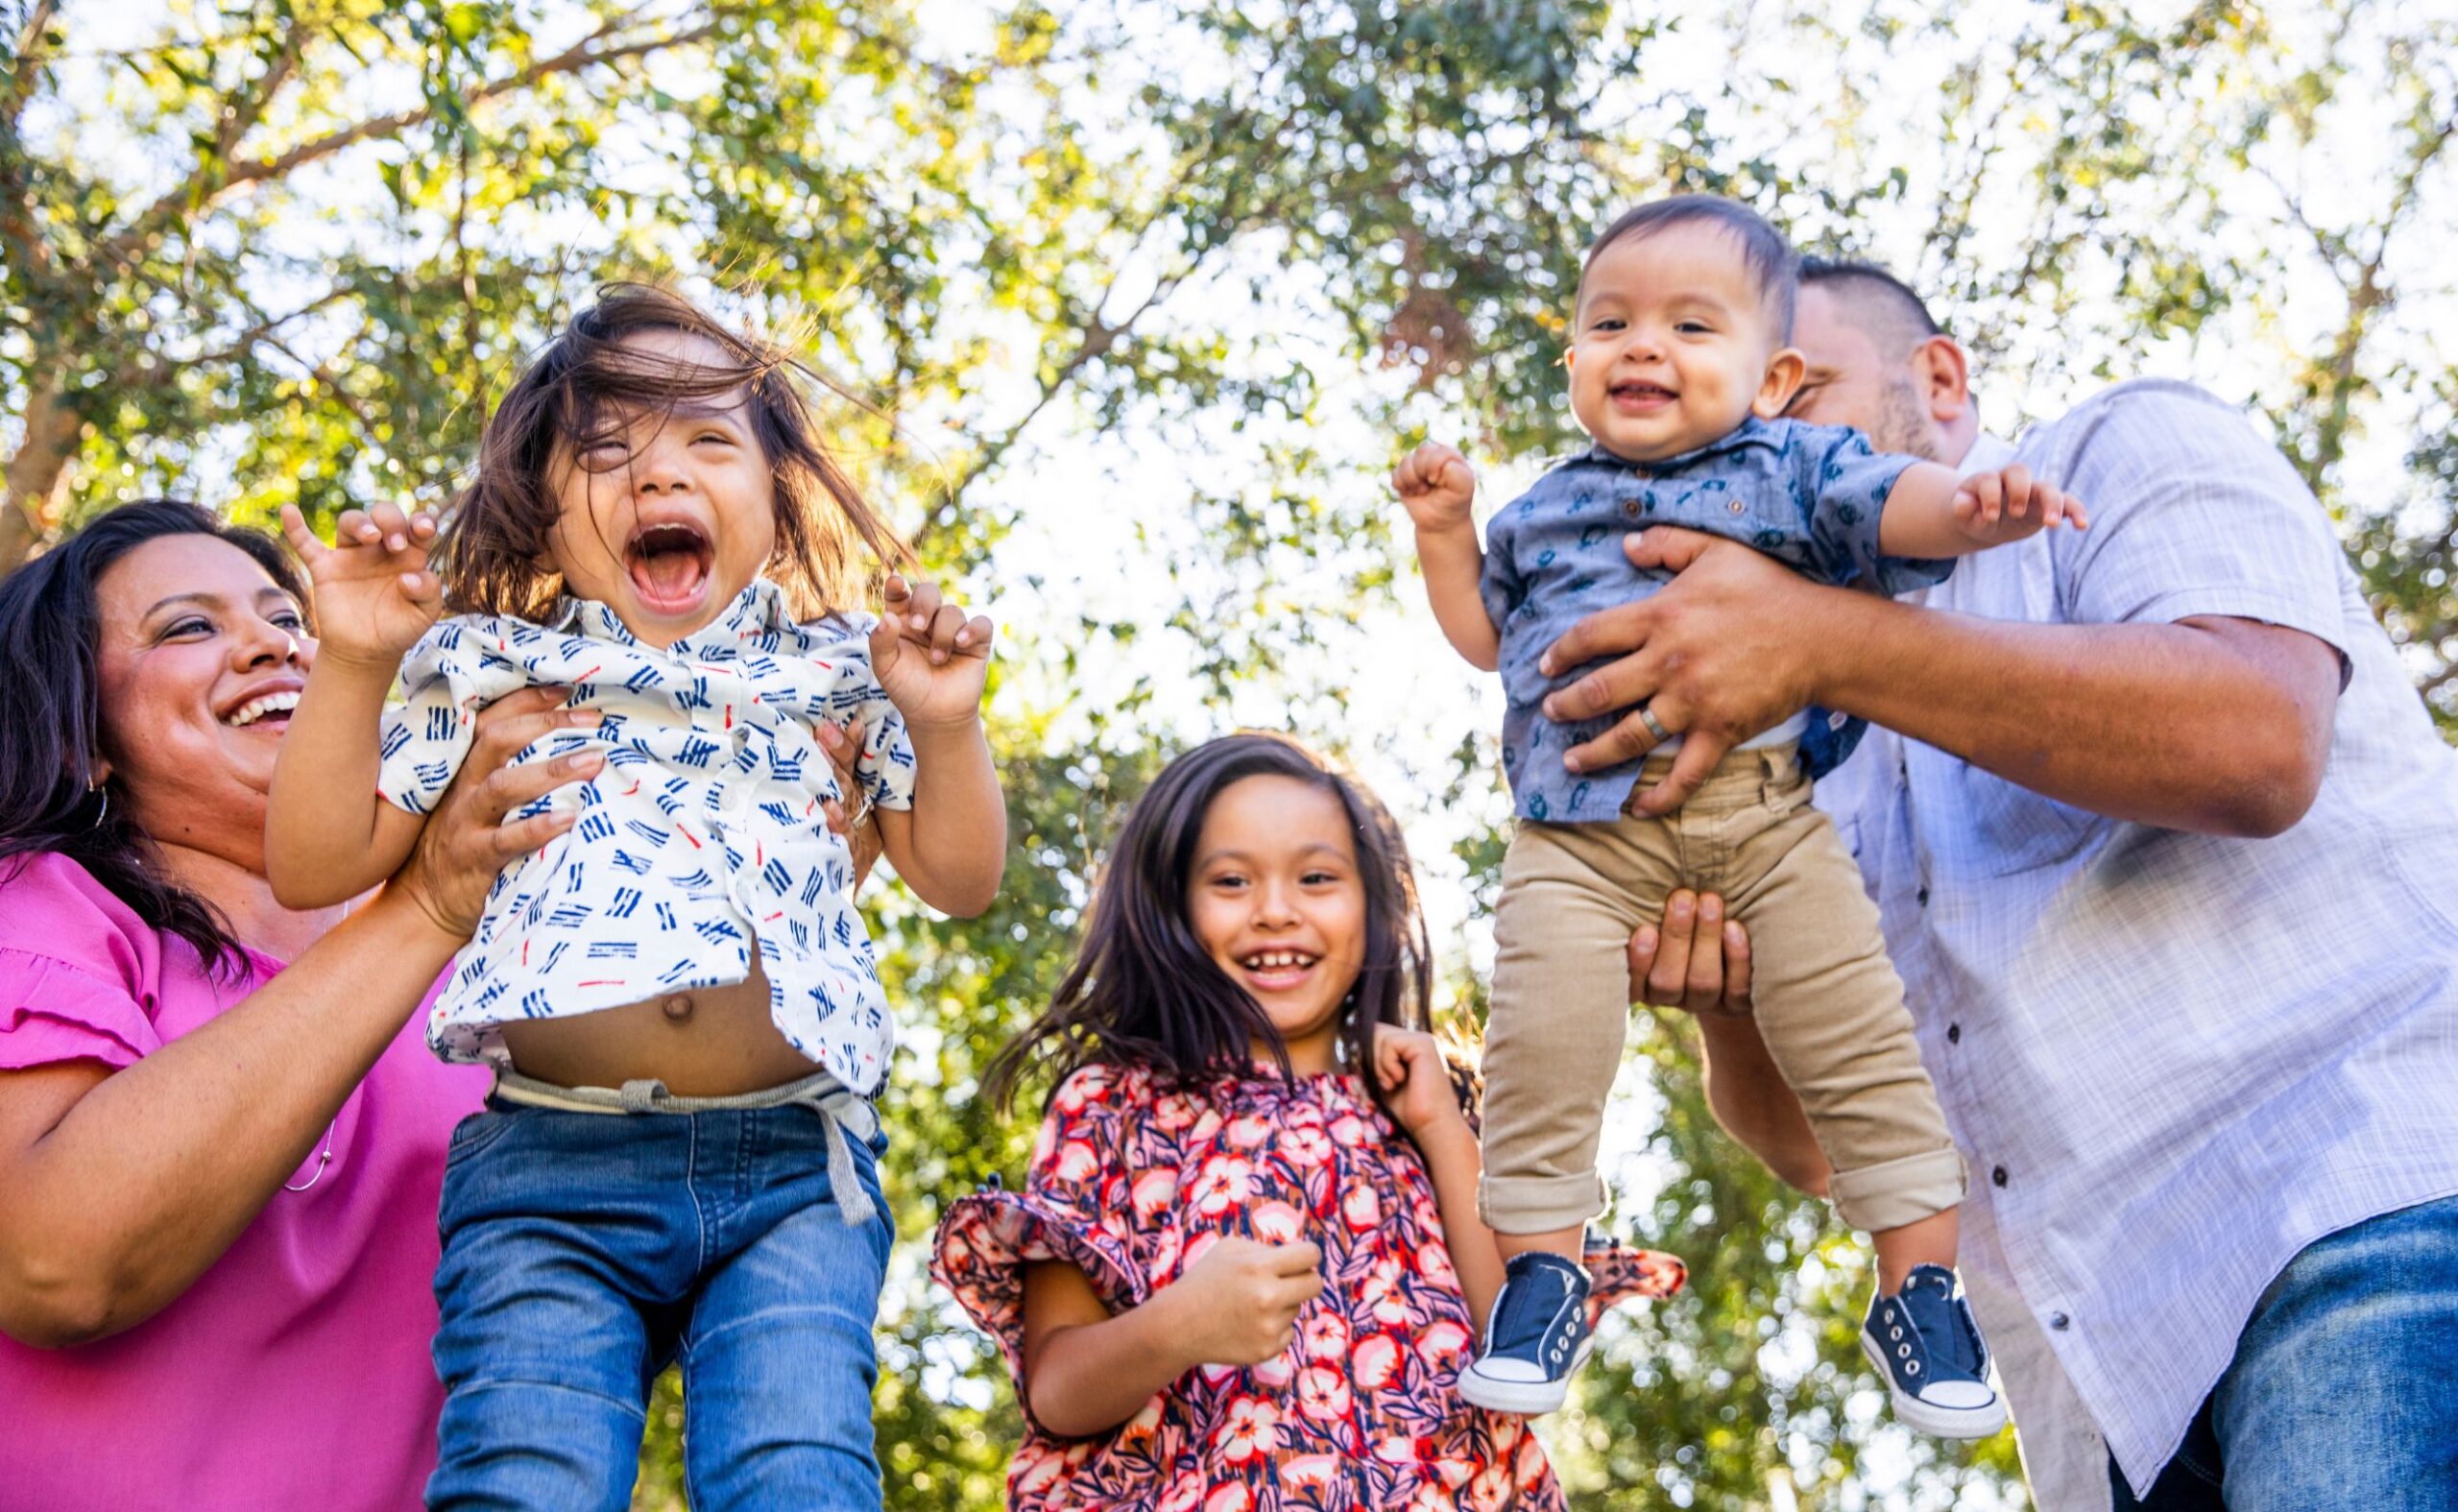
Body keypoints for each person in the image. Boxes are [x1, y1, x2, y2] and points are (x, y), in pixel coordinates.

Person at [1579, 258, 2458, 1509]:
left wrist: (1823, 638)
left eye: (1798, 391)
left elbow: (2258, 739)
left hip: (2366, 1207)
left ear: (1937, 382)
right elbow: (1831, 1149)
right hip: (2101, 1401)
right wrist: (1721, 998)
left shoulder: (2119, 448)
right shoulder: (1789, 766)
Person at [263, 285, 1007, 1510]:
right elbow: (316, 865)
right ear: (543, 514)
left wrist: (945, 723)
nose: (657, 478)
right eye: (607, 452)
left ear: (776, 497)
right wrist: (352, 658)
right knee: (524, 1481)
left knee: (798, 1478)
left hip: (790, 1162)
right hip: (552, 1159)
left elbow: (957, 878)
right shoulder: (489, 662)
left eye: (707, 441)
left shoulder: (843, 670)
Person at [1388, 195, 2080, 1429]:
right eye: (1611, 324)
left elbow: (1889, 510)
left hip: (1765, 827)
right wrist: (1443, 533)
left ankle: (1920, 1286)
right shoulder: (1542, 510)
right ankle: (1541, 1272)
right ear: (1574, 365)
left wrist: (1971, 509)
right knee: (1540, 1045)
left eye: (1689, 326)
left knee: (1861, 1038)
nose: (1643, 347)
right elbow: (1487, 641)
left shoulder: (1793, 464)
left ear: (1773, 380)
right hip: (1575, 844)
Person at [0, 499, 592, 1509]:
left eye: (286, 619)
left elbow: (626, 1268)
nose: (270, 649)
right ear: (81, 742)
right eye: (189, 627)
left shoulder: (488, 965)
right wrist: (426, 907)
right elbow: (55, 1265)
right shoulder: (43, 905)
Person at [930, 732, 1684, 1510]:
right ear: (1173, 905)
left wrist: (1437, 1123)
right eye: (1230, 880)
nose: (1276, 911)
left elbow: (1520, 1341)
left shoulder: (1441, 1104)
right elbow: (1056, 1389)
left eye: (1317, 877)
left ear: (1375, 900)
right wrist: (1178, 1326)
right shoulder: (1113, 1104)